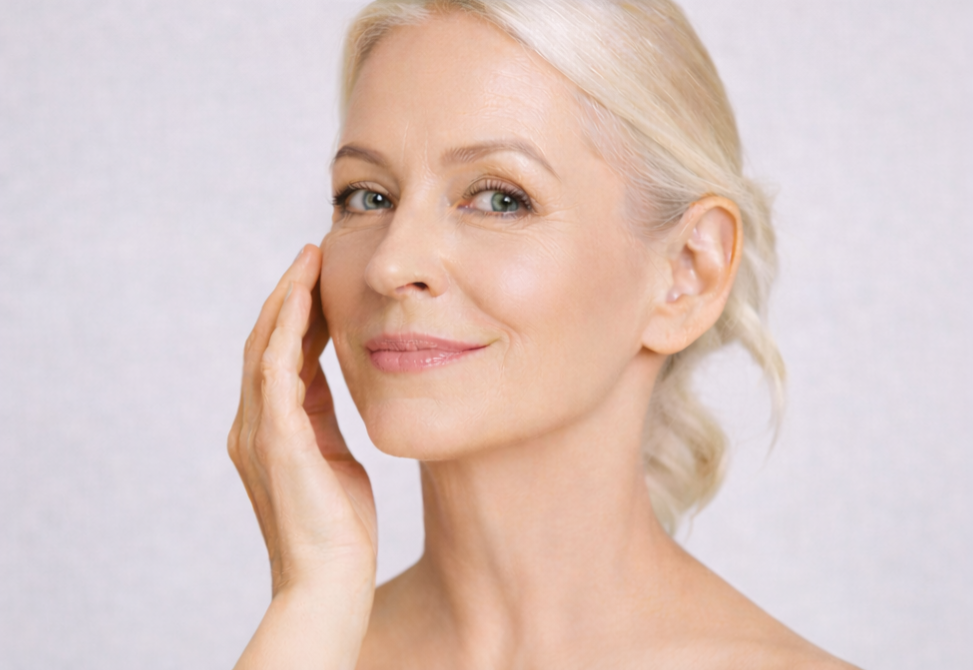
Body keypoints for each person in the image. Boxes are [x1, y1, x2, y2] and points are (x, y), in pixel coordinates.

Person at [227, 1, 856, 667]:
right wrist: (315, 591)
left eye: (501, 198)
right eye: (367, 196)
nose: (390, 264)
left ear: (686, 273)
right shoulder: (304, 643)